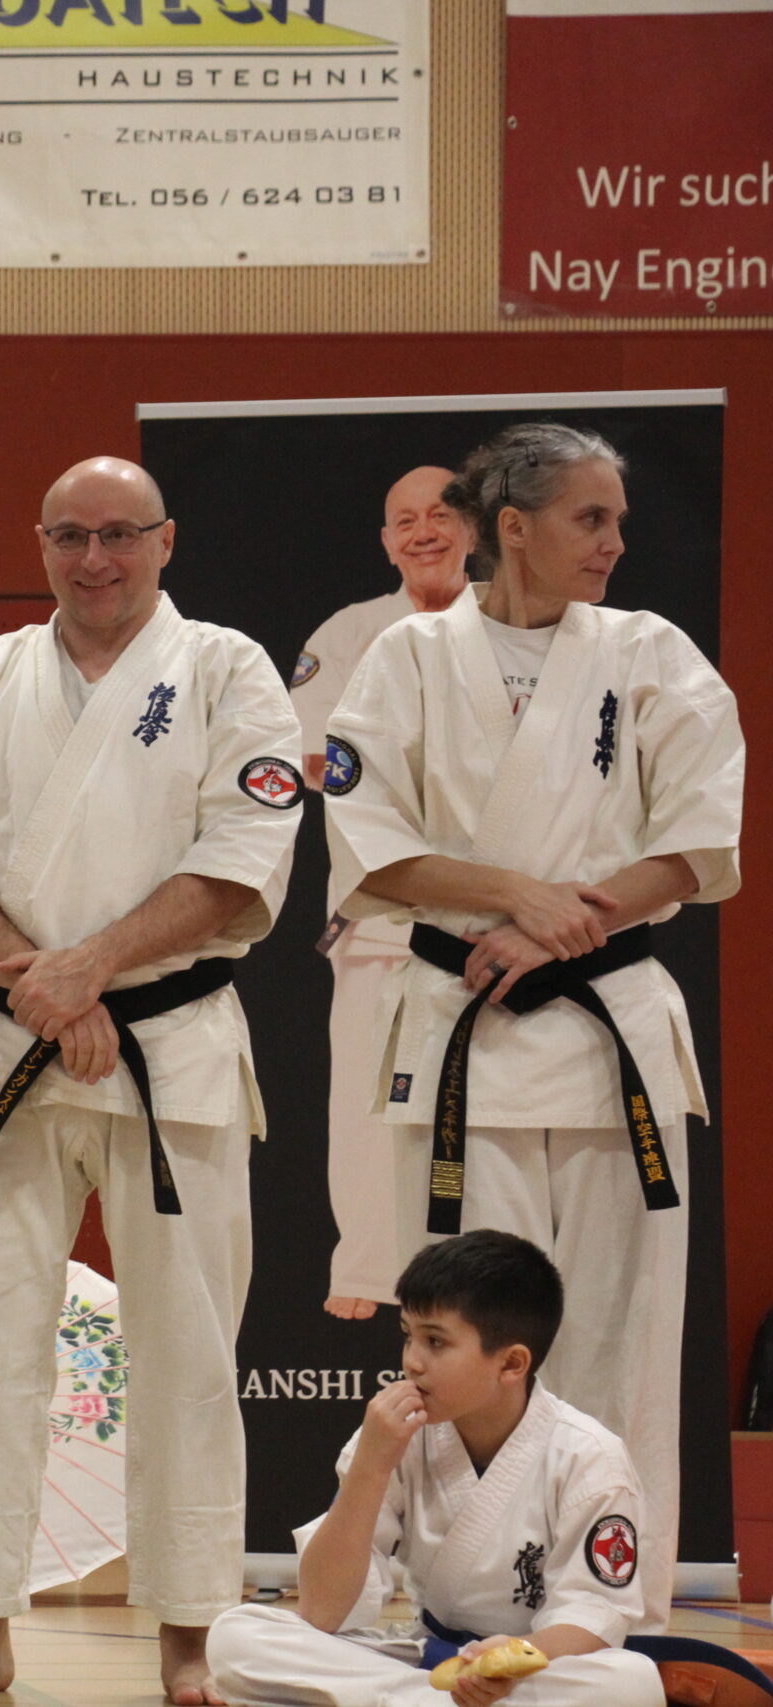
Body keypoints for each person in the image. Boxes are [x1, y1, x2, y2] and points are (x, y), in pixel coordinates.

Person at [0, 457, 304, 1705]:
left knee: (186, 1345)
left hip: (169, 1049)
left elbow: (242, 856)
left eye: (119, 534)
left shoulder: (226, 669)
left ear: (165, 541)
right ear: (40, 545)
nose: (95, 559)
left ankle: (188, 1629)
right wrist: (46, 986)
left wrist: (92, 969)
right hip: (10, 1042)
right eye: (69, 536)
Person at [321, 423, 743, 1634]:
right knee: (467, 1346)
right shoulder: (406, 657)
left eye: (617, 520)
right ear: (512, 527)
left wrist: (564, 924)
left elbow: (699, 841)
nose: (613, 542)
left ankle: (613, 1613)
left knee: (621, 1336)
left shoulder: (649, 650)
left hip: (611, 1038)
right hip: (465, 1034)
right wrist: (517, 898)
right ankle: (473, 1607)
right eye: (589, 519)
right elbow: (369, 847)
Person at [207, 1231, 666, 1707]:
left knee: (629, 1683)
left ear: (511, 1363)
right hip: (427, 1662)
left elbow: (593, 1614)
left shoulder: (589, 1456)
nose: (412, 1362)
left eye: (435, 1341)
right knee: (237, 1636)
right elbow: (323, 1612)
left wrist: (510, 1660)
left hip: (531, 1667)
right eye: (408, 1336)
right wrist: (370, 1467)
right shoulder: (393, 1436)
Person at [290, 467, 476, 1319]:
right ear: (386, 541)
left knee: (479, 1104)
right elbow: (309, 757)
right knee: (367, 1098)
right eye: (405, 519)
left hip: (489, 911)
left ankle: (472, 1279)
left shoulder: (511, 626)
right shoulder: (351, 631)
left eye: (440, 514)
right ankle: (367, 1268)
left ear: (475, 528)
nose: (423, 530)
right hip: (379, 908)